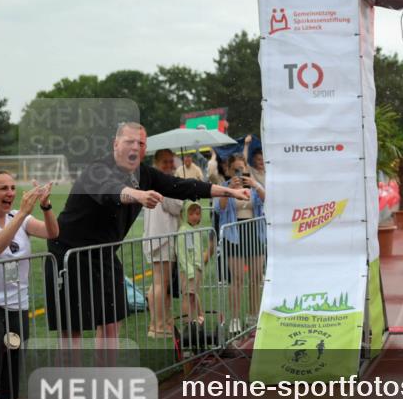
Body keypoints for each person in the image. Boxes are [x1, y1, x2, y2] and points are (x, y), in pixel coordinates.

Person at [44, 122, 249, 347]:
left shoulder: (145, 174)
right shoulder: (98, 169)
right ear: (115, 144)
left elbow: (183, 186)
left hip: (104, 254)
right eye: (129, 142)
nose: (134, 147)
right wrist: (137, 195)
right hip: (69, 253)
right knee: (73, 329)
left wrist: (229, 191)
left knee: (112, 321)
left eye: (140, 143)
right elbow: (111, 190)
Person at [0, 172, 59, 399]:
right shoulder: (12, 220)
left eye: (13, 188)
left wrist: (44, 206)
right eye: (3, 188)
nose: (10, 193)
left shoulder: (20, 216)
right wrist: (22, 216)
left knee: (11, 375)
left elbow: (52, 233)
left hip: (19, 308)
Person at [215, 153, 265, 336]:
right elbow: (218, 208)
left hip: (255, 233)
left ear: (246, 168)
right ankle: (235, 319)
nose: (238, 172)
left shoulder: (253, 186)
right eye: (235, 169)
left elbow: (267, 200)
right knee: (236, 280)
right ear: (229, 170)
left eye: (241, 168)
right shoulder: (224, 187)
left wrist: (256, 185)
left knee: (256, 278)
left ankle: (253, 316)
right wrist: (229, 191)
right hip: (234, 235)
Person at [142, 149, 183, 338]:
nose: (168, 165)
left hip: (155, 236)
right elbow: (174, 206)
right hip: (162, 237)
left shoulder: (153, 180)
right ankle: (158, 326)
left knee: (158, 283)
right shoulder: (161, 181)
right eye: (164, 162)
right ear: (157, 163)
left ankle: (158, 323)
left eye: (170, 161)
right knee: (160, 283)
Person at [175, 202, 207, 325]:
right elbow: (182, 254)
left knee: (193, 295)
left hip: (196, 269)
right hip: (189, 270)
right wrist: (189, 271)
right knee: (188, 296)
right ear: (185, 214)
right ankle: (187, 323)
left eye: (198, 214)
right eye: (191, 213)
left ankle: (197, 318)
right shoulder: (184, 231)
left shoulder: (195, 230)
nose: (195, 216)